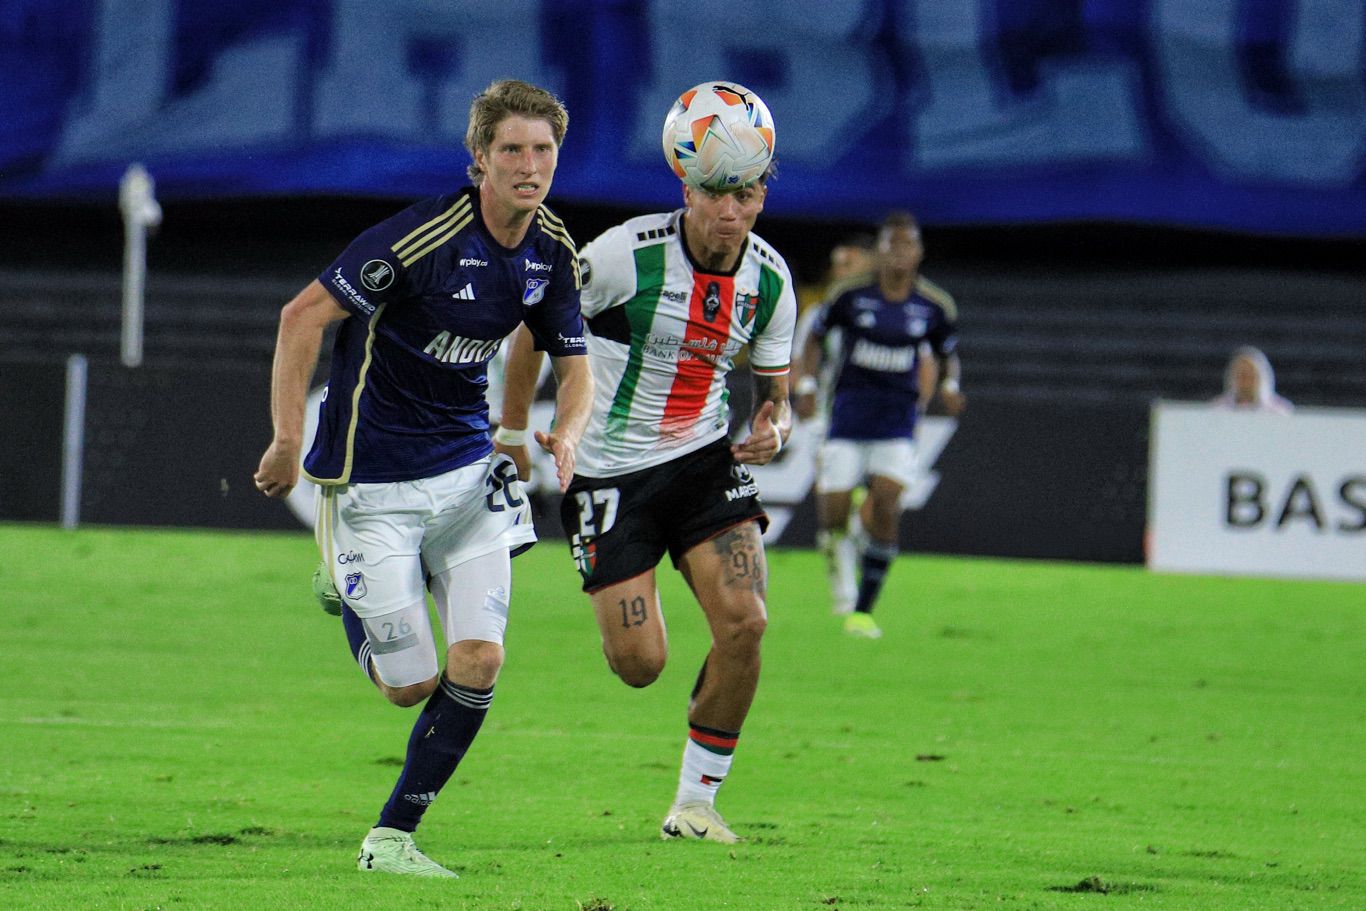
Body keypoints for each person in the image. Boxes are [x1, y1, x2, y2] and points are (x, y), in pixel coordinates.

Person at [252, 79, 592, 878]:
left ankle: (391, 838)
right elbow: (302, 316)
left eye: (543, 151)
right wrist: (284, 437)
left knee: (480, 660)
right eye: (512, 148)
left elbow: (574, 361)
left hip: (469, 478)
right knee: (411, 686)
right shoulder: (420, 238)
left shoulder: (552, 251)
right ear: (479, 157)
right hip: (371, 484)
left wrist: (562, 433)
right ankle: (342, 585)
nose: (529, 165)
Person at [498, 164, 796, 845]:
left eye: (744, 194)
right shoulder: (624, 254)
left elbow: (779, 393)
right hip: (607, 474)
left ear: (761, 199)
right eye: (716, 192)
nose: (730, 209)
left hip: (703, 463)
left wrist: (774, 429)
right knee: (639, 665)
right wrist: (513, 431)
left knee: (747, 622)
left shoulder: (771, 279)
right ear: (687, 192)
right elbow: (534, 327)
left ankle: (696, 803)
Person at [793, 211, 965, 638]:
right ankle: (842, 568)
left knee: (887, 504)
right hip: (846, 418)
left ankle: (864, 609)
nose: (899, 253)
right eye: (891, 244)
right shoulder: (850, 297)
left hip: (897, 422)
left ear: (919, 252)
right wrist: (809, 384)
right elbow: (813, 338)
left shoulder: (933, 305)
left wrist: (951, 385)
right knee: (832, 516)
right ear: (879, 252)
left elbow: (946, 353)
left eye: (908, 245)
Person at [1210, 346, 1293, 414]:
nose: (1246, 380)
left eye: (1251, 375)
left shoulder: (1279, 412)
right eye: (1241, 374)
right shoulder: (1217, 410)